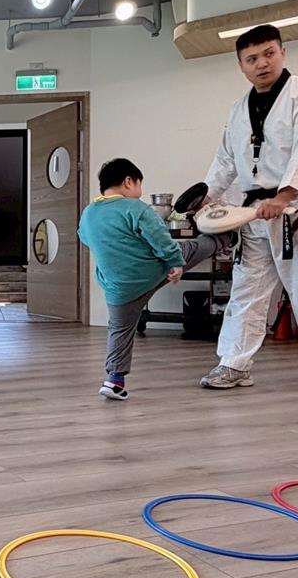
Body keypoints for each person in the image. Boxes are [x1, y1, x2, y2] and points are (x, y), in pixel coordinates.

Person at [199, 24, 298, 391]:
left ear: (282, 52)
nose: (262, 64)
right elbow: (226, 159)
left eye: (269, 53)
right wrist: (207, 196)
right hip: (253, 210)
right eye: (252, 59)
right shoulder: (239, 109)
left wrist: (284, 197)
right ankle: (234, 363)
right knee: (246, 288)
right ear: (241, 66)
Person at [78, 158, 232, 400]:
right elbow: (161, 238)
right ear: (128, 181)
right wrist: (176, 263)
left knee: (120, 329)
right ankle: (227, 237)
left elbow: (85, 238)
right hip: (151, 270)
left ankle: (114, 381)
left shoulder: (89, 213)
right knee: (190, 248)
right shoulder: (135, 208)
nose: (140, 191)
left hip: (118, 286)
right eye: (140, 184)